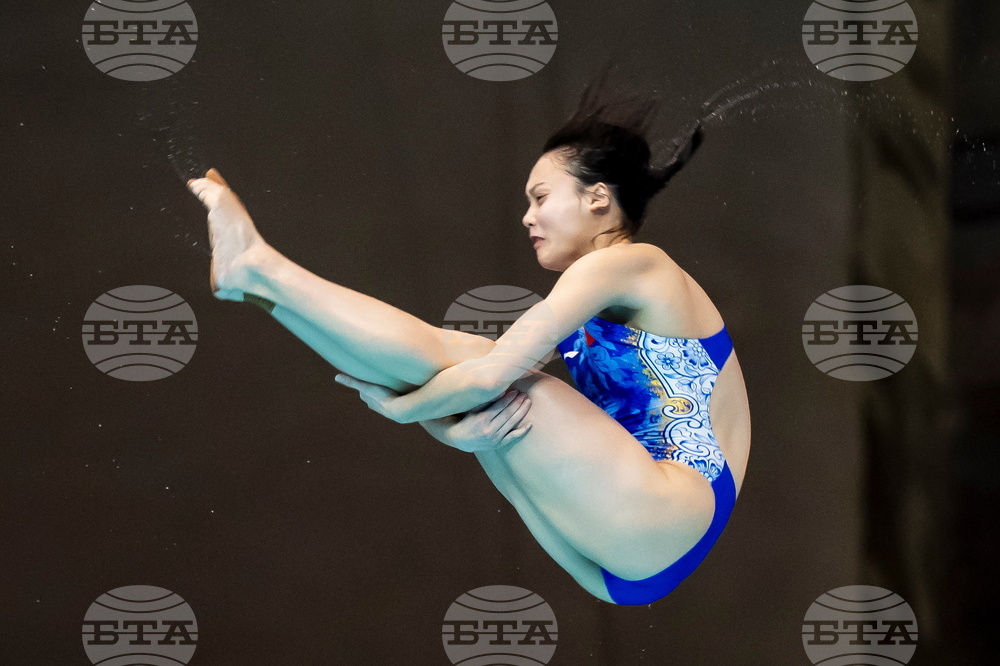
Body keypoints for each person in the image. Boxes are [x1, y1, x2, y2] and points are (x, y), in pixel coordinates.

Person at [186, 77, 751, 605]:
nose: (527, 217)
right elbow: (465, 389)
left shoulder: (634, 263)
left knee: (479, 366)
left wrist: (405, 413)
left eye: (540, 197)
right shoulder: (603, 292)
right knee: (469, 386)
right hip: (622, 557)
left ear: (597, 198)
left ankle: (261, 267)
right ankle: (258, 285)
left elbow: (487, 375)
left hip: (666, 509)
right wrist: (445, 427)